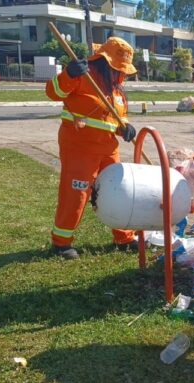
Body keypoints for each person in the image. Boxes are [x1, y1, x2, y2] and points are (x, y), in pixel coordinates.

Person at [45, 37, 139, 260]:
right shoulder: (82, 76)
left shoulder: (117, 90)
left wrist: (124, 129)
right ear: (104, 62)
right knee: (76, 194)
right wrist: (68, 74)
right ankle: (61, 243)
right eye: (117, 68)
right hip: (79, 147)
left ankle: (124, 237)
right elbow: (52, 92)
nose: (121, 74)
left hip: (108, 148)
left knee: (119, 190)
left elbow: (116, 119)